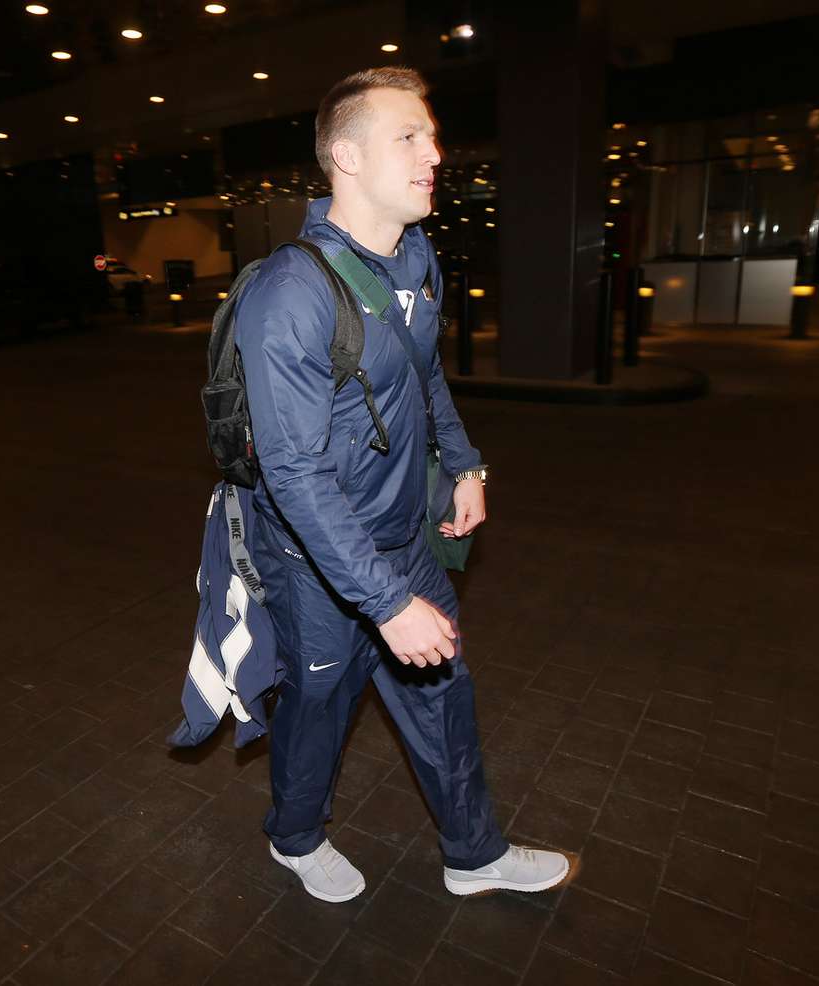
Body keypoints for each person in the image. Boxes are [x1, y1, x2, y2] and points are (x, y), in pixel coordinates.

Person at [235, 67, 570, 902]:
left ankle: (473, 853)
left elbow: (425, 380)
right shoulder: (290, 293)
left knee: (444, 694)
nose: (434, 154)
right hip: (319, 562)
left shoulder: (416, 261)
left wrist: (464, 464)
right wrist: (385, 602)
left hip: (404, 538)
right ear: (345, 156)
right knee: (319, 710)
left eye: (432, 136)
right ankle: (294, 836)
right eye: (409, 138)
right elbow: (294, 472)